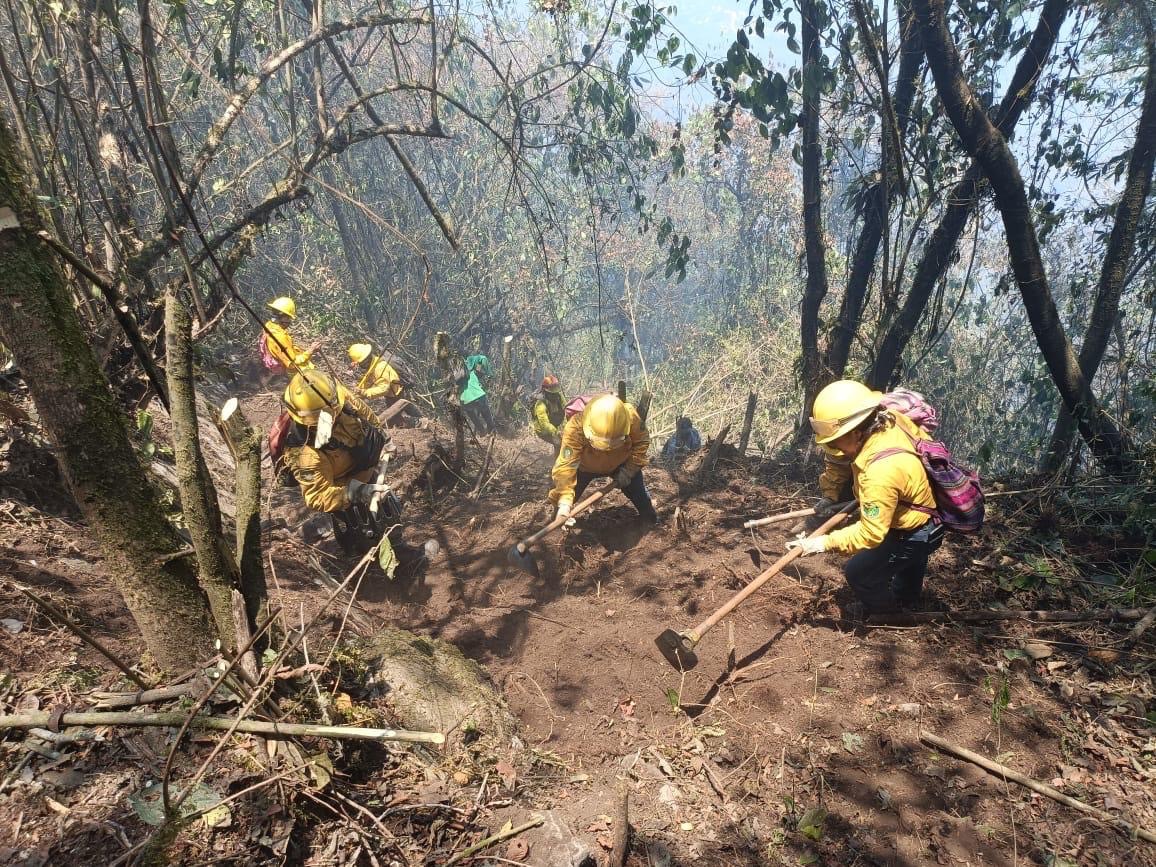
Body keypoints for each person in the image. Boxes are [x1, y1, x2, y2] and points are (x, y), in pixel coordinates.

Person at [786, 379, 943, 620]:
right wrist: (830, 495)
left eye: (836, 441)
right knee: (911, 562)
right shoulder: (888, 420)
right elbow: (837, 461)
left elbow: (870, 534)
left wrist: (823, 543)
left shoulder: (879, 472)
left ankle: (887, 614)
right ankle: (906, 598)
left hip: (916, 529)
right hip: (924, 513)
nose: (834, 448)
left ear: (856, 433)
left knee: (858, 573)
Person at [278, 369, 398, 555]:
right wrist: (356, 492)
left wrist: (385, 437)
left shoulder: (336, 398)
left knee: (387, 515)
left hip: (364, 464)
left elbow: (364, 412)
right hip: (343, 493)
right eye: (328, 415)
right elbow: (317, 496)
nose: (336, 414)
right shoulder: (304, 453)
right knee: (359, 533)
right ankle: (361, 559)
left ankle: (395, 541)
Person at [549, 393, 656, 523]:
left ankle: (650, 522)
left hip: (621, 464)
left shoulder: (631, 417)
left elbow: (642, 442)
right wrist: (564, 502)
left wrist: (630, 469)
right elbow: (566, 465)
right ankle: (556, 522)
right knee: (561, 505)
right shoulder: (575, 427)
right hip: (585, 468)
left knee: (641, 497)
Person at [348, 342, 422, 425]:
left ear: (364, 361)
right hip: (392, 393)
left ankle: (418, 423)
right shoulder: (373, 365)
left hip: (396, 393)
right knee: (401, 409)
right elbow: (368, 382)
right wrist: (356, 395)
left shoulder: (380, 367)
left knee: (395, 416)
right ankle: (418, 419)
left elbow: (383, 389)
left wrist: (364, 392)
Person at [260, 297, 313, 374]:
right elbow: (292, 364)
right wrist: (310, 351)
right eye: (288, 317)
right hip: (289, 369)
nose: (289, 321)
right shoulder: (280, 337)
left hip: (278, 361)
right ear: (281, 316)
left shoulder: (269, 325)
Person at [460, 353, 496, 435]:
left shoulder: (459, 375)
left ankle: (481, 430)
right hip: (478, 395)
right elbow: (483, 358)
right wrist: (489, 373)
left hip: (466, 399)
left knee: (471, 413)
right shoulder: (472, 364)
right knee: (485, 411)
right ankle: (491, 428)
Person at [530, 375, 566, 452]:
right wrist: (556, 432)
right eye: (552, 392)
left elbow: (566, 409)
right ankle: (557, 463)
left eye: (555, 391)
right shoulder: (541, 404)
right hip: (543, 430)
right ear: (545, 391)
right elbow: (544, 423)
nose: (554, 395)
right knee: (559, 443)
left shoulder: (558, 397)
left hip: (554, 425)